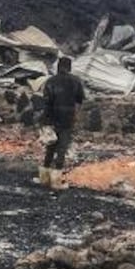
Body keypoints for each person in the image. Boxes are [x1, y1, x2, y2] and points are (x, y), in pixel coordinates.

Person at [38, 56, 86, 190]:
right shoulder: (75, 81)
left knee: (50, 147)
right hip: (67, 119)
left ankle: (44, 178)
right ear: (69, 67)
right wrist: (75, 115)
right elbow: (80, 100)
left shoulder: (50, 81)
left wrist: (44, 121)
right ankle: (56, 181)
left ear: (58, 67)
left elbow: (45, 102)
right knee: (62, 149)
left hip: (51, 118)